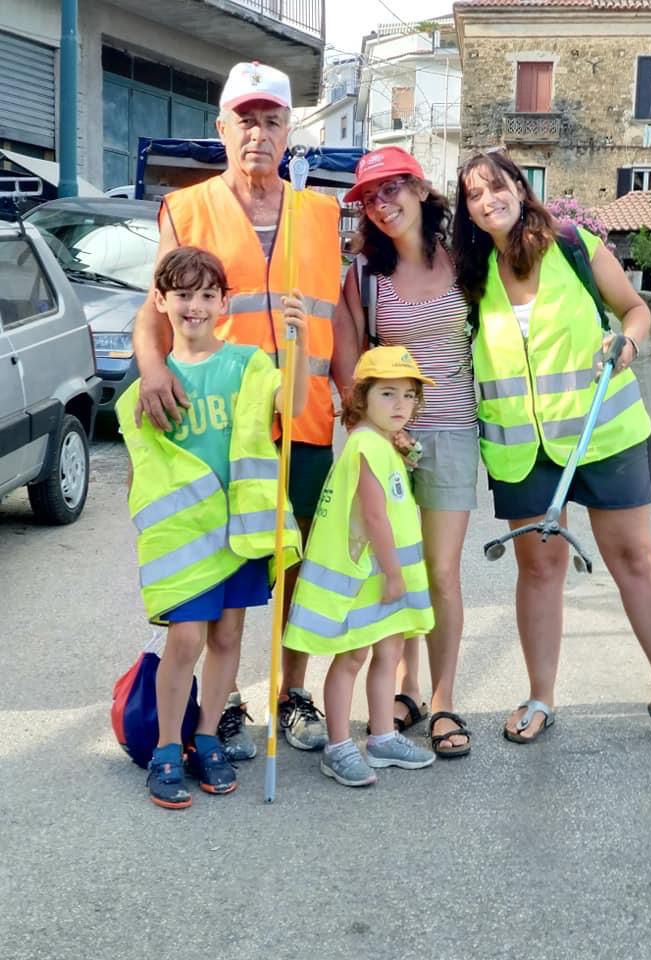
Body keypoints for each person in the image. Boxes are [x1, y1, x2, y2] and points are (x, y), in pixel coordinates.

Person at [132, 62, 350, 755]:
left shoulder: (322, 212)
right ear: (221, 128)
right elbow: (155, 311)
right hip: (222, 428)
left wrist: (359, 400)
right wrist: (150, 370)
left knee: (297, 568)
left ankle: (291, 694)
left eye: (272, 120)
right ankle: (224, 706)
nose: (258, 133)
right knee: (228, 567)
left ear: (290, 132)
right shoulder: (187, 208)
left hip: (305, 419)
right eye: (245, 119)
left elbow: (339, 318)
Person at [452, 150, 651, 758]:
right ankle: (541, 698)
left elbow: (636, 311)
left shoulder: (572, 243)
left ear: (519, 185)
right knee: (538, 571)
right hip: (522, 450)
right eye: (474, 195)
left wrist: (629, 343)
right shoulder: (473, 270)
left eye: (497, 186)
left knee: (635, 563)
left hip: (604, 435)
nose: (489, 200)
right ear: (468, 210)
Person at [116, 246, 307, 807]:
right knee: (187, 639)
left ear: (224, 303)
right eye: (182, 295)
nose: (194, 306)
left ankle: (207, 736)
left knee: (227, 636)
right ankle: (167, 748)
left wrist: (297, 346)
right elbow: (146, 472)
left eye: (206, 295)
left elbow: (291, 408)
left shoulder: (247, 364)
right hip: (187, 540)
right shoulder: (150, 386)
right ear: (161, 301)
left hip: (240, 530)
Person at [338, 147, 478, 758]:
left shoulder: (467, 260)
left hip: (452, 431)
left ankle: (444, 700)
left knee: (441, 572)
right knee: (395, 565)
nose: (382, 203)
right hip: (387, 439)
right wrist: (369, 431)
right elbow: (348, 359)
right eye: (370, 197)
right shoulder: (366, 274)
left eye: (392, 188)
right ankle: (406, 685)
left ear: (420, 189)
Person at [284, 346, 437, 786]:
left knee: (388, 650)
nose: (400, 406)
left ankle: (383, 736)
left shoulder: (383, 442)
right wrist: (393, 574)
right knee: (351, 655)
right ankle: (337, 746)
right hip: (367, 576)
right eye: (388, 394)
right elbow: (374, 517)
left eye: (409, 396)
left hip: (382, 576)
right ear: (362, 397)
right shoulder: (366, 446)